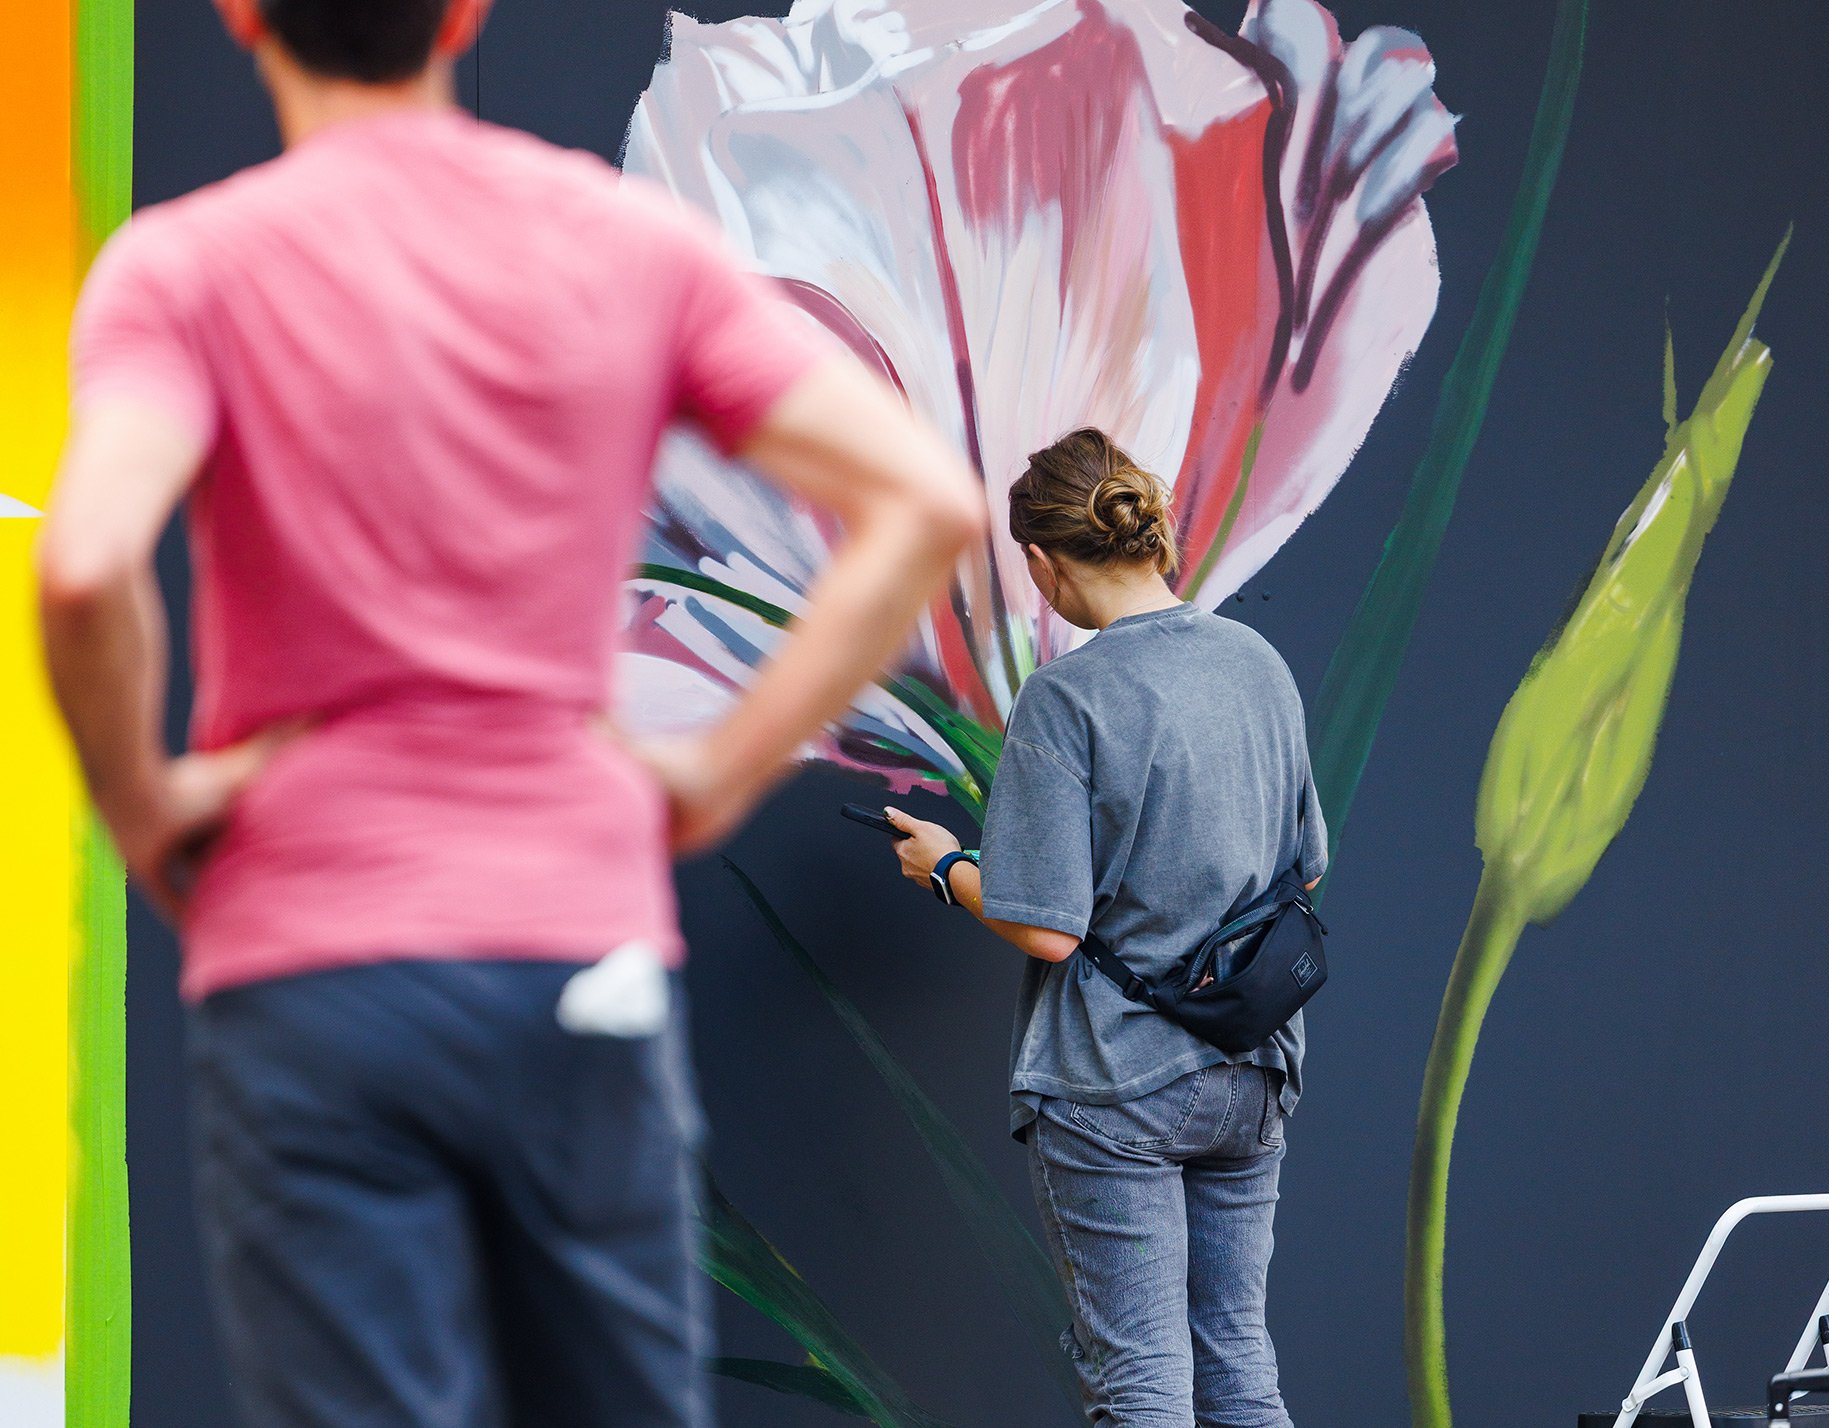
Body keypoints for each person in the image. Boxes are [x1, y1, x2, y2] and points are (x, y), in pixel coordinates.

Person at [35, 0, 984, 1422]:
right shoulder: (625, 244)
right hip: (574, 941)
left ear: (242, 16)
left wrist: (142, 807)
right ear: (463, 15)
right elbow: (923, 504)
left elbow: (86, 562)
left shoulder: (186, 266)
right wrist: (714, 773)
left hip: (311, 955)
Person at [882, 428, 1325, 1428]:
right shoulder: (1255, 662)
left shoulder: (1067, 697)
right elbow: (1305, 865)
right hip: (1252, 1067)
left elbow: (1046, 929)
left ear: (1041, 563)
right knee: (1237, 1364)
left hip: (1117, 1080)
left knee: (1140, 1382)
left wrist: (946, 868)